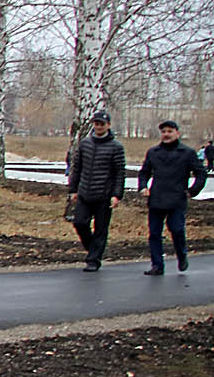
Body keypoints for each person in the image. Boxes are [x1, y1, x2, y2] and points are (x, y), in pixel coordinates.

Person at [137, 119, 206, 274]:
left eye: (170, 131)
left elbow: (201, 173)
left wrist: (192, 191)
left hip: (177, 199)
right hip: (156, 198)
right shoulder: (153, 152)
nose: (166, 135)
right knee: (154, 233)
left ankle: (182, 256)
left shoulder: (187, 153)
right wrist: (143, 187)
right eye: (163, 132)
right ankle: (157, 265)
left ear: (177, 133)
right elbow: (144, 172)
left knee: (176, 229)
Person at [67, 109, 127, 271]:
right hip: (84, 192)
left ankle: (93, 260)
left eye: (102, 124)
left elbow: (120, 173)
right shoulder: (85, 143)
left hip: (104, 196)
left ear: (108, 125)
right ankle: (93, 250)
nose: (99, 127)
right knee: (79, 223)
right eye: (96, 123)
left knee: (101, 229)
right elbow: (76, 168)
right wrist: (73, 190)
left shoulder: (116, 147)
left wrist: (116, 195)